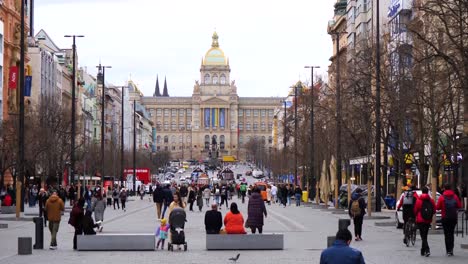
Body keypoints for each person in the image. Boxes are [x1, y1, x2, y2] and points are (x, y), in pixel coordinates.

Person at [436, 183, 462, 256]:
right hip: (453, 217)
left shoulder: (442, 197)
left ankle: (448, 250)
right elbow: (459, 206)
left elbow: (437, 207)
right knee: (451, 233)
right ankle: (451, 249)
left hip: (445, 217)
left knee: (446, 234)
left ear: (444, 188)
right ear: (450, 188)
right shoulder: (455, 196)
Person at [413, 186, 436, 257]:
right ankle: (423, 250)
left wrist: (415, 215)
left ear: (422, 192)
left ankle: (427, 250)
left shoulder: (418, 200)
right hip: (428, 220)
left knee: (423, 236)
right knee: (425, 235)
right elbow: (434, 210)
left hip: (420, 220)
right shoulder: (431, 200)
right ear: (427, 192)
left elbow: (415, 210)